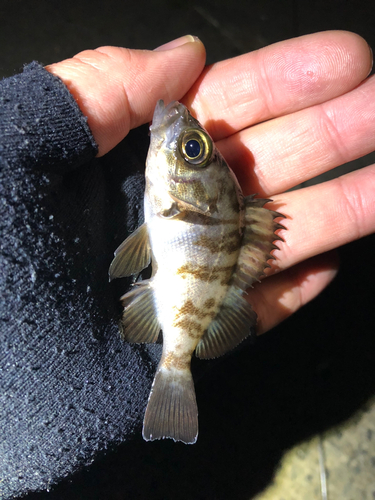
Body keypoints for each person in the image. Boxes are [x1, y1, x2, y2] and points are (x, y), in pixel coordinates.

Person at [0, 31, 374, 498]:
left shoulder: (182, 199)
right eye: (193, 150)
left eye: (192, 150)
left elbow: (132, 257)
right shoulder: (184, 200)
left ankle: (173, 371)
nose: (183, 136)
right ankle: (174, 372)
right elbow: (133, 257)